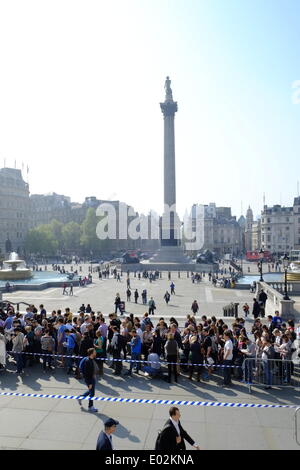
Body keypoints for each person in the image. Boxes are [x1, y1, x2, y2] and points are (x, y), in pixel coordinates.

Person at [78, 348, 99, 412]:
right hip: (90, 379)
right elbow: (86, 373)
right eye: (95, 352)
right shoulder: (88, 361)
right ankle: (90, 406)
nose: (96, 352)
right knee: (92, 393)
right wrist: (89, 383)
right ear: (92, 353)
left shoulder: (91, 359)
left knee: (91, 391)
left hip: (92, 378)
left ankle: (81, 397)